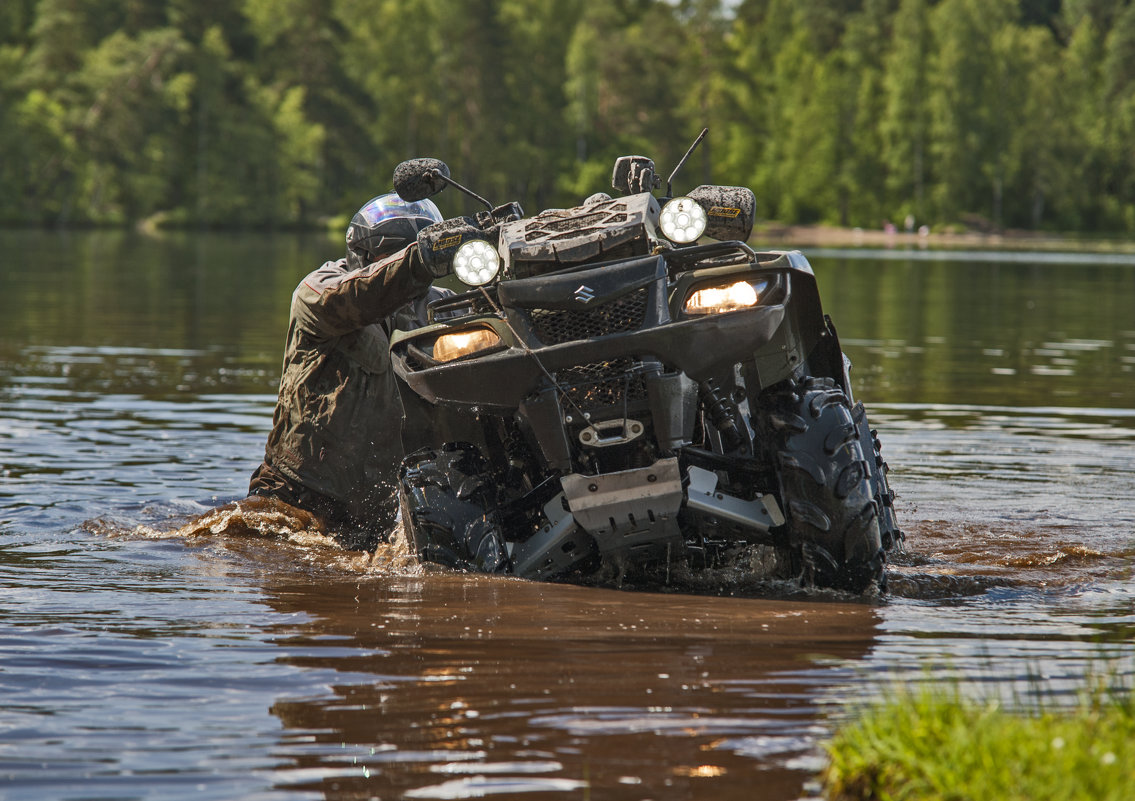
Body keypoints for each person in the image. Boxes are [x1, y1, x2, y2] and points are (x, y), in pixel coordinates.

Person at [247, 192, 446, 547]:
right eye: (396, 255)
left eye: (412, 253)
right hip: (296, 492)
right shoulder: (319, 291)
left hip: (374, 512)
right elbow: (363, 294)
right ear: (365, 254)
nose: (406, 270)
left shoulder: (439, 307)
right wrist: (421, 258)